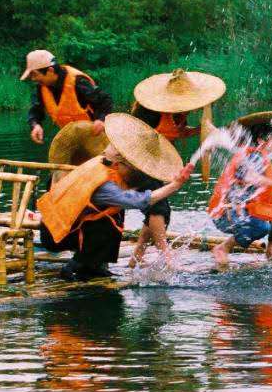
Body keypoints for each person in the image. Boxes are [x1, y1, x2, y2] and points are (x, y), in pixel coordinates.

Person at [37, 113, 194, 281]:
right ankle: (74, 267)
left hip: (58, 227)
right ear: (119, 164)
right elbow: (138, 200)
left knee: (113, 214)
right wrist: (175, 185)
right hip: (55, 235)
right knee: (108, 226)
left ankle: (95, 265)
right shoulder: (105, 185)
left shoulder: (101, 162)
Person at [129, 70, 226, 268]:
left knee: (155, 208)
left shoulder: (178, 111)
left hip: (158, 163)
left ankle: (136, 257)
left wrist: (200, 131)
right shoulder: (150, 110)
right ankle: (167, 257)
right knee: (158, 207)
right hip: (139, 160)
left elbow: (175, 131)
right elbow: (136, 135)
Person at [209, 112, 272, 268]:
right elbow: (250, 177)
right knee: (261, 227)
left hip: (244, 209)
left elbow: (271, 188)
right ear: (262, 140)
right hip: (224, 214)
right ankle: (223, 248)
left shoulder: (261, 156)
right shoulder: (251, 156)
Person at [21, 49, 113, 145]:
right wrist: (35, 125)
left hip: (97, 137)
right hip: (73, 140)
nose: (33, 79)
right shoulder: (41, 87)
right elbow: (36, 110)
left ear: (50, 70)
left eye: (35, 74)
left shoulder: (77, 82)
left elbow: (105, 100)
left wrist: (101, 120)